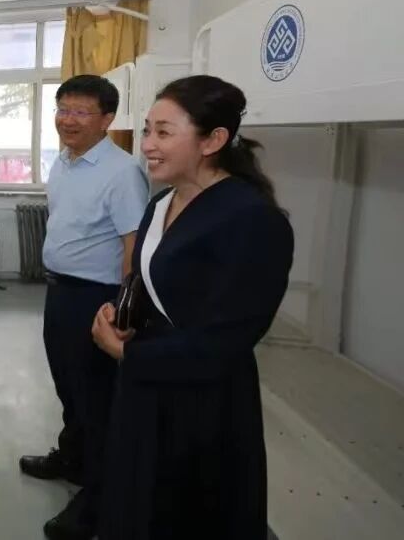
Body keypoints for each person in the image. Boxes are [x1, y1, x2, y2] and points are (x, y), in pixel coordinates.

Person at [92, 75, 294, 540]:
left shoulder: (251, 219)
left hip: (203, 402)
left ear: (213, 140)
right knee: (138, 503)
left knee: (186, 513)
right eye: (147, 130)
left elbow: (226, 341)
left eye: (164, 132)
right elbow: (150, 281)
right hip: (147, 387)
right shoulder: (162, 203)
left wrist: (127, 354)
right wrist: (123, 317)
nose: (147, 145)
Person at [19, 75, 149, 540]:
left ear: (107, 119)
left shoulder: (121, 171)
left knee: (96, 399)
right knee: (69, 387)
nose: (67, 120)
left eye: (80, 112)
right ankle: (72, 458)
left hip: (97, 299)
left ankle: (97, 498)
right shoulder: (64, 161)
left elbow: (133, 245)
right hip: (60, 293)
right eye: (62, 109)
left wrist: (122, 311)